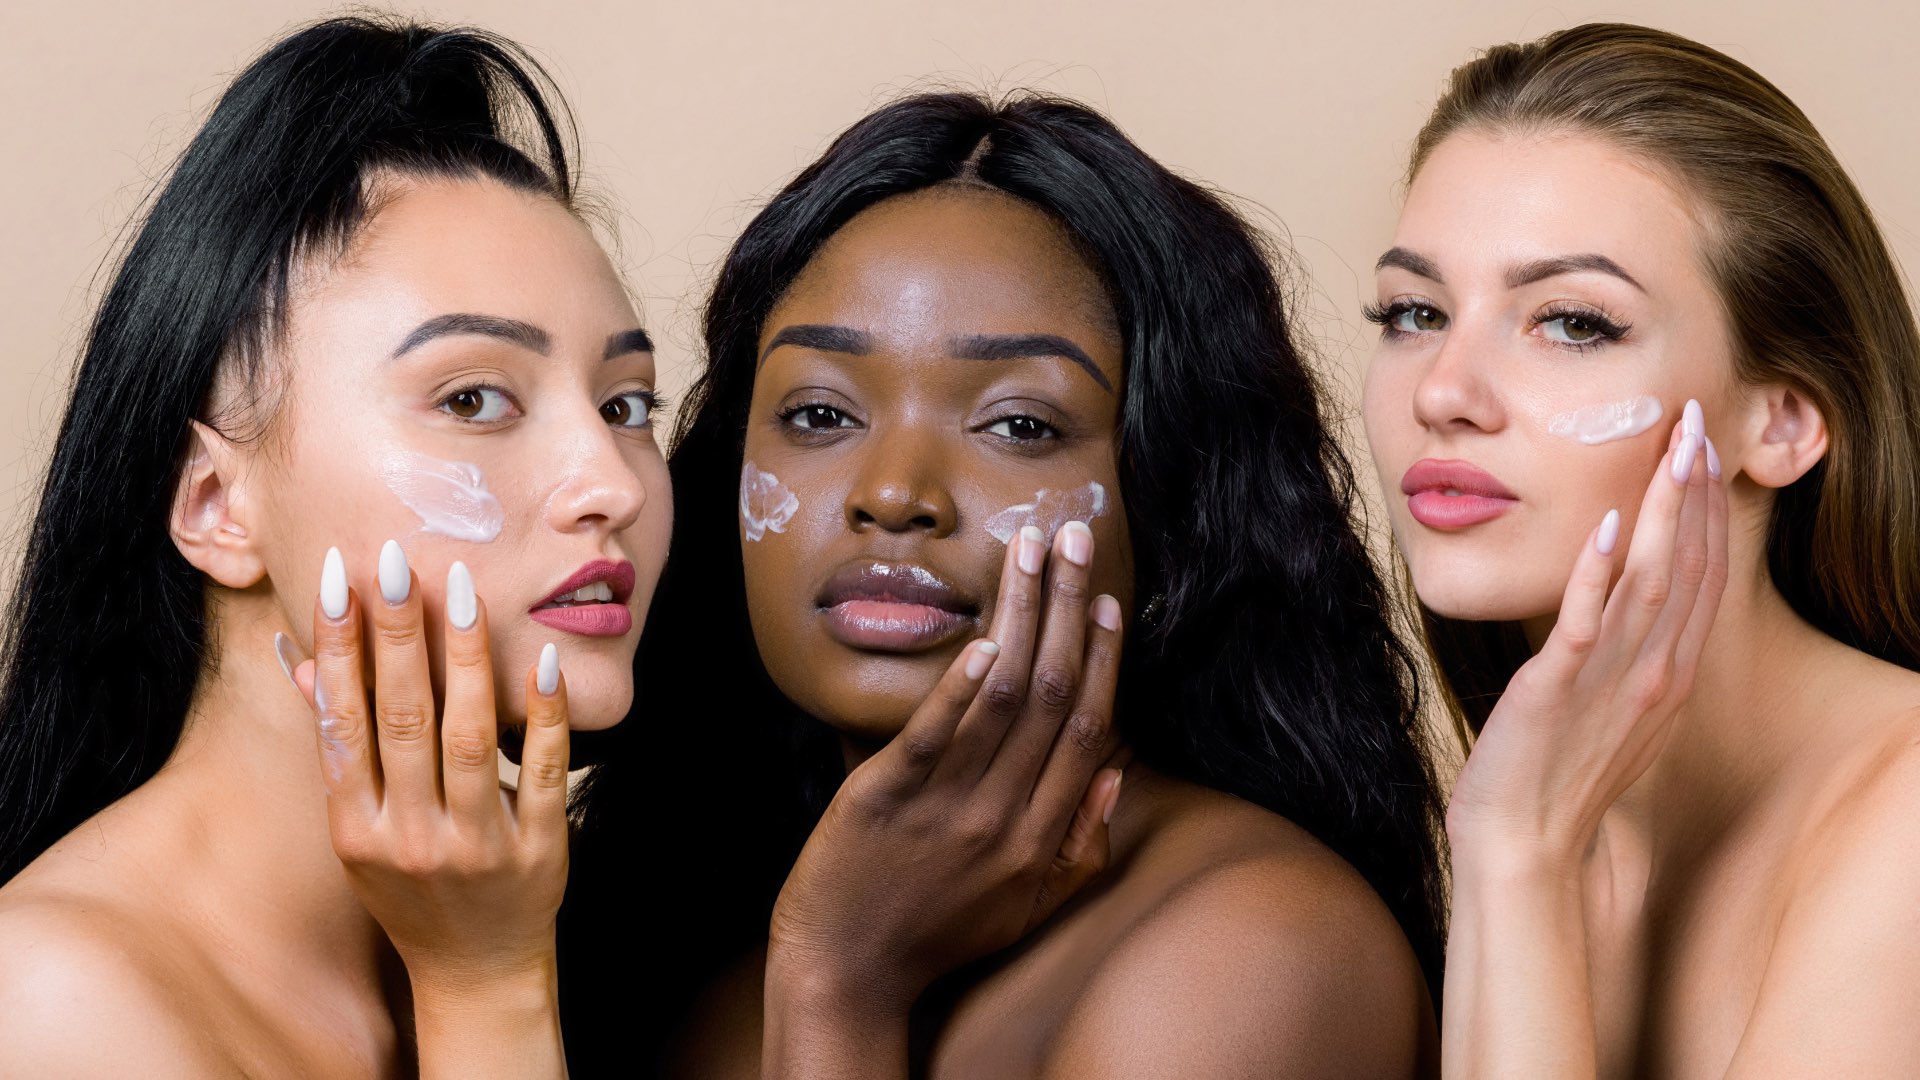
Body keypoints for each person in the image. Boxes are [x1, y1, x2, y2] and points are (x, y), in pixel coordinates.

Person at [563, 91, 1449, 1078]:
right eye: (819, 414)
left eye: (1020, 425)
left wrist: (837, 984)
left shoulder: (1256, 954)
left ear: (1168, 506)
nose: (894, 494)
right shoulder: (676, 934)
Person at [0, 17, 670, 1076]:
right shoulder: (54, 1001)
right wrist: (486, 990)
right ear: (215, 503)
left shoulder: (574, 912)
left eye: (626, 405)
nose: (614, 485)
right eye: (474, 398)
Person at [1360, 23, 1920, 1076]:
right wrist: (1518, 853)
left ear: (1783, 421)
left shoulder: (1906, 820)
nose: (1443, 391)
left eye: (1573, 322)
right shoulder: (1543, 810)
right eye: (1414, 312)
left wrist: (1515, 856)